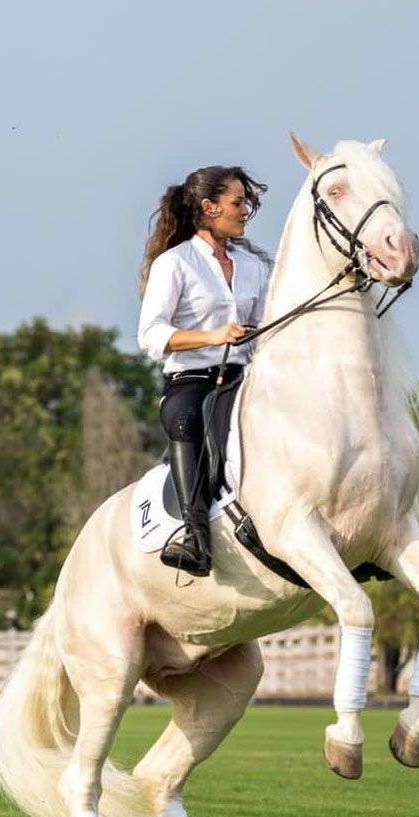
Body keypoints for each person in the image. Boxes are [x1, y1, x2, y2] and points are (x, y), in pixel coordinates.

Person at [137, 166, 271, 574]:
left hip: (246, 376)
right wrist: (213, 337)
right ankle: (195, 537)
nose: (246, 209)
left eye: (246, 202)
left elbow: (266, 326)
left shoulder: (255, 266)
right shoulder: (174, 264)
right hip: (193, 380)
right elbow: (151, 334)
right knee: (184, 420)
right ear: (209, 208)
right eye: (237, 202)